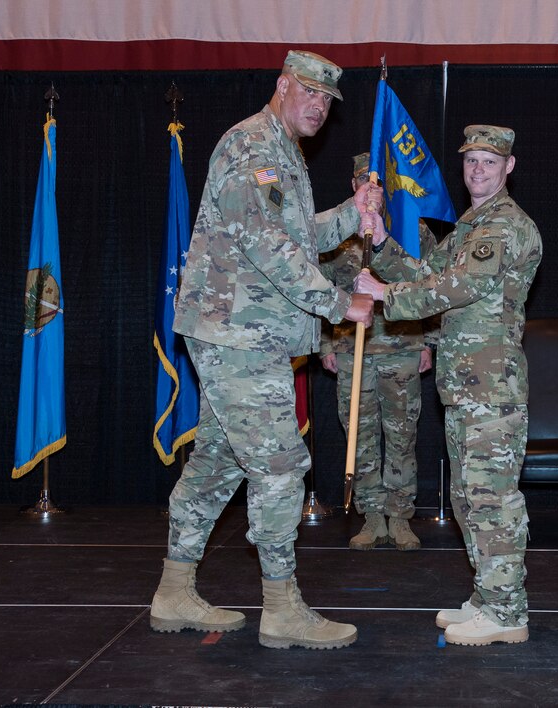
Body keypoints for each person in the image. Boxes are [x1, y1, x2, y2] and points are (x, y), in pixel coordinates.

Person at [148, 49, 378, 651]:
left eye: (327, 99)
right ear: (282, 85)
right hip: (238, 333)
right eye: (309, 92)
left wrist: (351, 213)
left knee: (217, 463)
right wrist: (339, 303)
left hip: (243, 332)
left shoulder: (283, 152)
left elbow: (295, 236)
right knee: (280, 466)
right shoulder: (253, 145)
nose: (318, 106)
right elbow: (268, 247)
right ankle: (280, 609)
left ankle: (173, 592)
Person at [355, 125, 542, 646]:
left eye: (489, 161)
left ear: (509, 167)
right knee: (467, 497)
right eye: (471, 160)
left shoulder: (505, 225)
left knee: (491, 500)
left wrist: (385, 295)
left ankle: (507, 611)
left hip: (491, 386)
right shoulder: (469, 226)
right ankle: (487, 596)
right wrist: (381, 242)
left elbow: (458, 287)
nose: (478, 169)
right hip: (464, 385)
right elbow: (423, 272)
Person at [319, 152, 438, 552]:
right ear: (353, 186)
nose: (371, 190)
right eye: (363, 182)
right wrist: (325, 345)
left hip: (402, 345)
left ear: (387, 188)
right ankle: (371, 515)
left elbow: (432, 287)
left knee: (402, 433)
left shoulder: (411, 229)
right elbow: (320, 290)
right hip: (352, 348)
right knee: (359, 434)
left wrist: (429, 343)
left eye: (377, 184)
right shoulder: (335, 232)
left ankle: (400, 516)